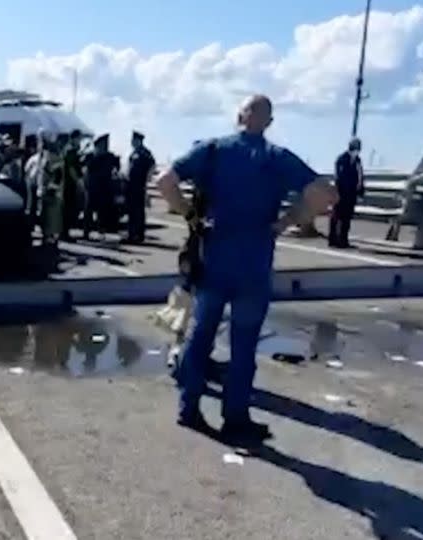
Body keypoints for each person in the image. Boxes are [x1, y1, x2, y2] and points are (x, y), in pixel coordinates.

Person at [154, 94, 337, 443]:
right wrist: (287, 222)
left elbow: (165, 180)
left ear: (238, 115)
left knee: (200, 335)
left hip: (214, 257)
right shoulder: (277, 158)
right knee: (244, 344)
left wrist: (190, 215)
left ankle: (188, 408)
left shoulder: (211, 150)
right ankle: (235, 418)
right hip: (254, 261)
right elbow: (326, 194)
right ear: (268, 122)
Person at [81, 134, 120, 240]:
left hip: (105, 188)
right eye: (102, 145)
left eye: (105, 144)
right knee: (88, 211)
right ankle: (86, 232)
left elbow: (116, 169)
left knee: (102, 211)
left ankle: (101, 231)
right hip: (91, 187)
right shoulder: (90, 156)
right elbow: (83, 168)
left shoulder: (110, 157)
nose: (104, 147)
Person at [329, 138, 364, 248]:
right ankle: (333, 239)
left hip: (351, 194)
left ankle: (343, 239)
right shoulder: (342, 159)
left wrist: (360, 191)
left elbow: (361, 177)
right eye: (356, 147)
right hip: (341, 192)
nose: (357, 150)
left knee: (347, 218)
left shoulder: (358, 160)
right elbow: (339, 176)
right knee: (337, 216)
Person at [126, 131, 156, 244]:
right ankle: (131, 234)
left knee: (138, 211)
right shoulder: (133, 153)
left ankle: (138, 235)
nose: (132, 142)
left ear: (139, 141)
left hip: (139, 185)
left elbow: (152, 165)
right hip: (131, 185)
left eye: (134, 140)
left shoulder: (145, 153)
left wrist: (147, 180)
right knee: (131, 210)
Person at [61, 130, 85, 242]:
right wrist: (78, 182)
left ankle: (64, 232)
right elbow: (71, 168)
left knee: (69, 208)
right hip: (69, 184)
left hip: (67, 183)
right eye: (79, 138)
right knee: (68, 208)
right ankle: (64, 233)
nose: (80, 141)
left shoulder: (70, 149)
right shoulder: (70, 150)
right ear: (74, 138)